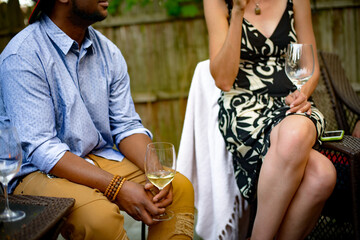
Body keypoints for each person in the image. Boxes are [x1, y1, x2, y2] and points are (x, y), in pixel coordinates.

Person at [0, 0, 195, 239]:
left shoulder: (108, 52)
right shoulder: (23, 55)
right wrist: (117, 187)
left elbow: (125, 125)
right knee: (100, 218)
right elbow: (42, 149)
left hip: (96, 156)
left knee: (178, 188)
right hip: (35, 171)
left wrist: (154, 172)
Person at [203, 0, 337, 239]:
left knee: (322, 176)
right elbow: (223, 80)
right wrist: (237, 12)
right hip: (244, 109)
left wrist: (302, 94)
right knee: (321, 174)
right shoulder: (219, 2)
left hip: (291, 101)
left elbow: (310, 64)